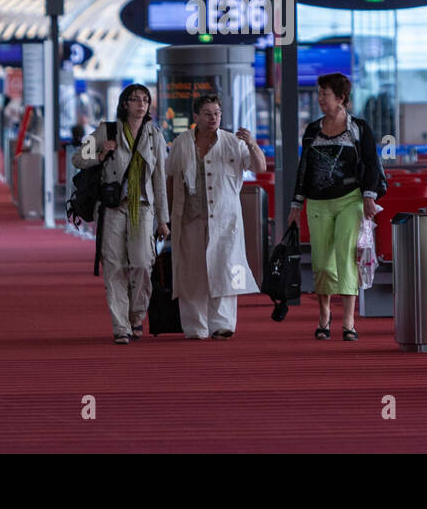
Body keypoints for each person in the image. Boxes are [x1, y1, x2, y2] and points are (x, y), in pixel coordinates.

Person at [287, 72, 386, 342]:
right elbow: (303, 169)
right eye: (319, 94)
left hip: (350, 200)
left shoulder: (359, 128)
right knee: (322, 262)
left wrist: (369, 196)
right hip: (317, 202)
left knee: (345, 258)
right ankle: (324, 315)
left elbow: (372, 163)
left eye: (325, 94)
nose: (320, 99)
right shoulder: (311, 130)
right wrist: (296, 203)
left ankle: (349, 321)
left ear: (341, 98)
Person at [73, 84, 169, 344]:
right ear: (125, 104)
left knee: (141, 263)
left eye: (145, 100)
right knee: (113, 265)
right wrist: (102, 152)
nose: (141, 104)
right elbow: (78, 159)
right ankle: (121, 326)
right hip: (112, 207)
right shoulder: (107, 129)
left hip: (143, 207)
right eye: (135, 99)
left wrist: (163, 220)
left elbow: (159, 179)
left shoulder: (155, 136)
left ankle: (137, 315)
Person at [165, 95, 264, 340]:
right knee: (191, 272)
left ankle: (222, 324)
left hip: (224, 219)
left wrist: (252, 144)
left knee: (225, 268)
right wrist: (165, 217)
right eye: (208, 114)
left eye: (217, 113)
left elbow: (259, 167)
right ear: (196, 117)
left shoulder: (233, 142)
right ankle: (195, 327)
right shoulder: (181, 143)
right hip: (189, 218)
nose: (214, 118)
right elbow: (170, 179)